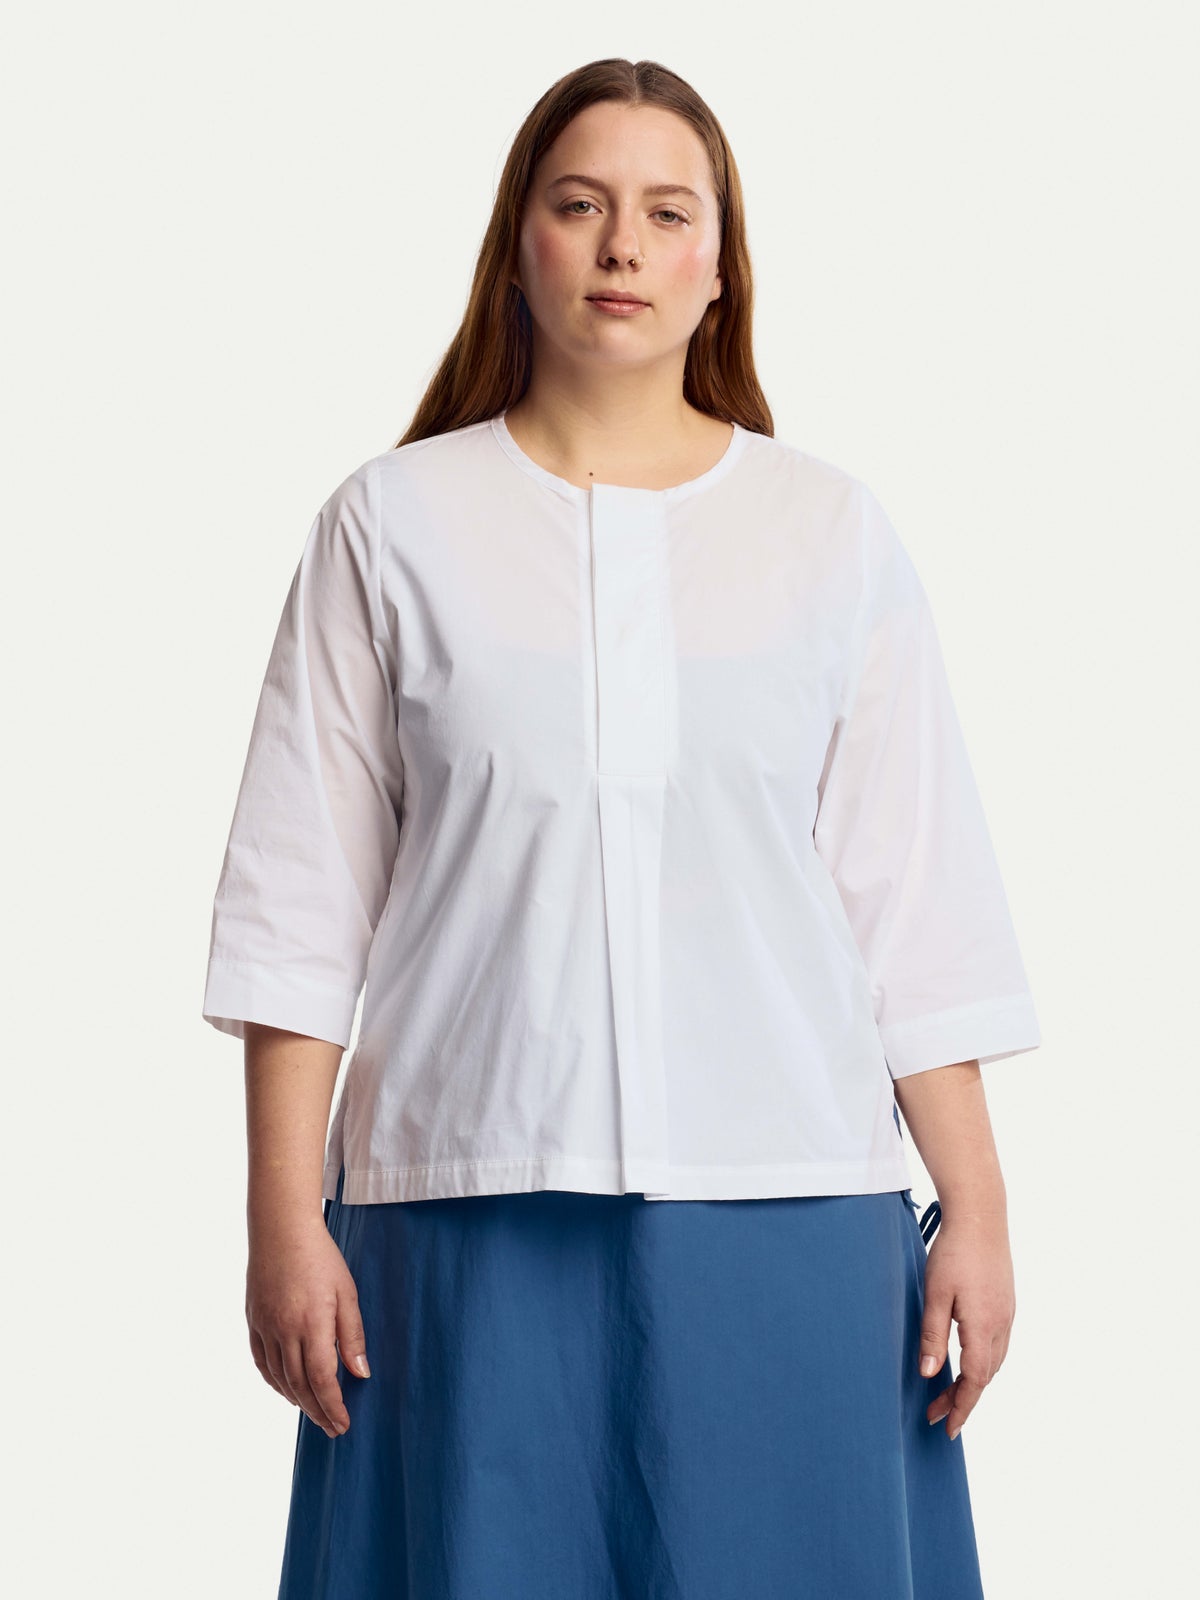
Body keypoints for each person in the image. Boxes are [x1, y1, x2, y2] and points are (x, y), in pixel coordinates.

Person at [202, 57, 1041, 1600]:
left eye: (667, 213)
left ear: (721, 265)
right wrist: (279, 1221)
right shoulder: (388, 526)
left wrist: (977, 1210)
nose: (622, 247)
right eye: (580, 204)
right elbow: (298, 905)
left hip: (793, 1207)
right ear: (516, 242)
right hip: (460, 1209)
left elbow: (915, 906)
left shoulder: (828, 532)